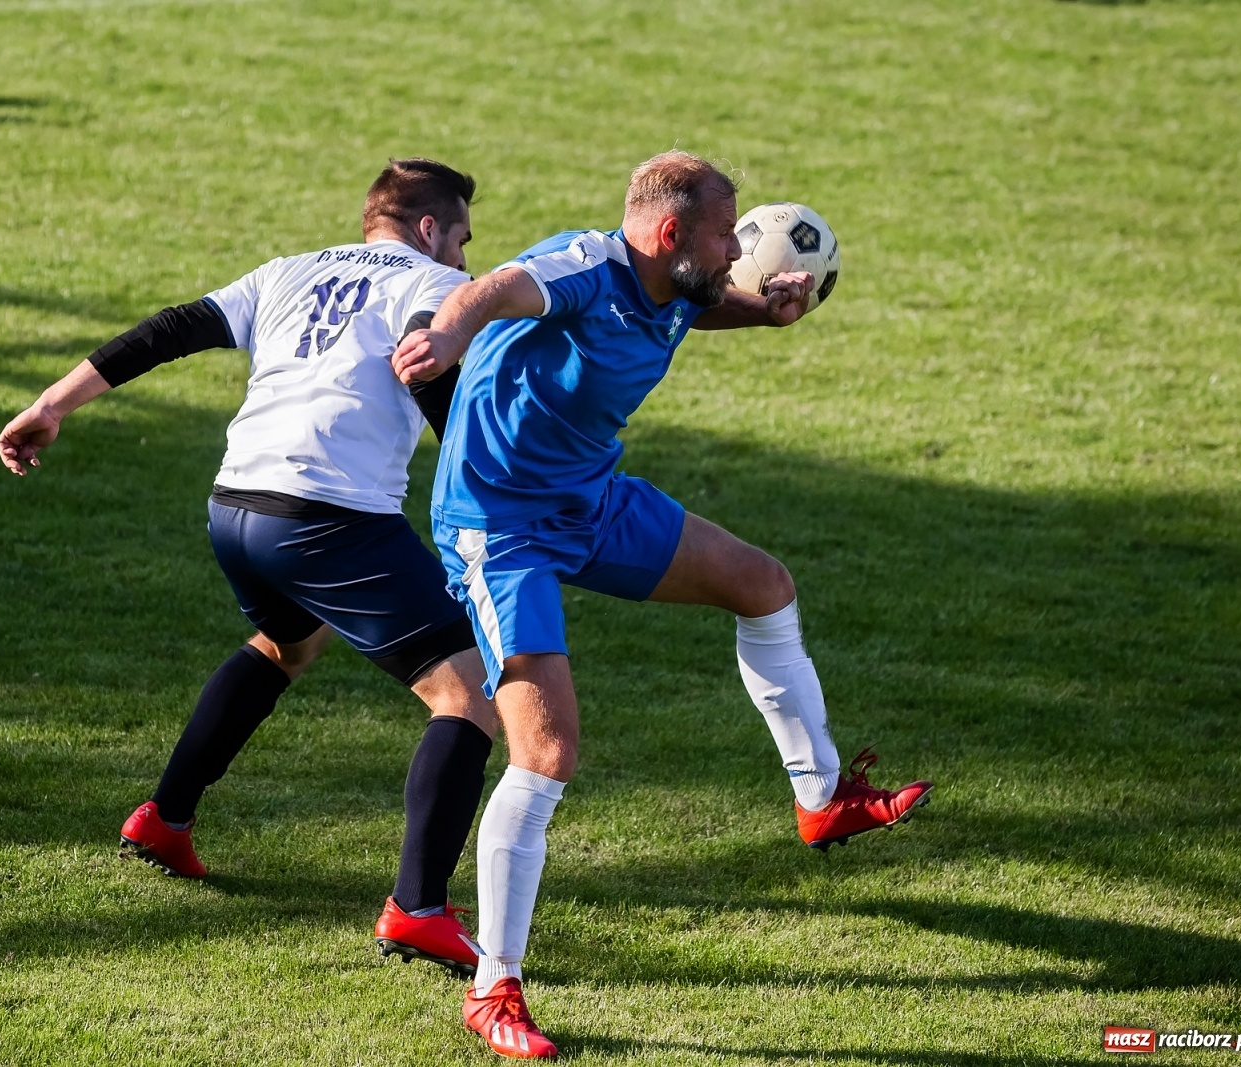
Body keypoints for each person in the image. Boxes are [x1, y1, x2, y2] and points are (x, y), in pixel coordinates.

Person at [391, 150, 934, 1058]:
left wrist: (767, 308)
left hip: (593, 501)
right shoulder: (584, 268)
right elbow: (491, 290)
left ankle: (822, 798)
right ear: (671, 230)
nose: (739, 248)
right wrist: (445, 337)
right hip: (501, 527)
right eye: (730, 233)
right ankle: (495, 988)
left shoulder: (675, 280)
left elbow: (693, 305)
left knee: (765, 586)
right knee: (548, 748)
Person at [0, 158, 500, 978]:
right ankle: (419, 908)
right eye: (463, 241)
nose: (466, 263)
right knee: (469, 694)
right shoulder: (431, 286)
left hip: (235, 509)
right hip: (329, 517)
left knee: (288, 645)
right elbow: (434, 375)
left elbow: (167, 330)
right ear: (431, 229)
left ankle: (165, 819)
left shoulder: (287, 271)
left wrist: (52, 403)